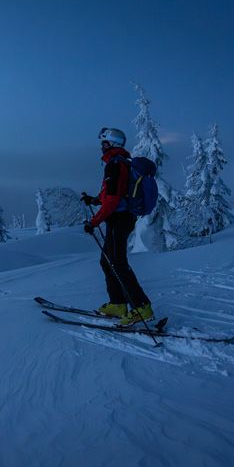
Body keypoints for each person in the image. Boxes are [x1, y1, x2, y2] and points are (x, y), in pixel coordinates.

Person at [81, 127, 154, 325]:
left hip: (119, 219)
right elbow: (113, 194)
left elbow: (113, 200)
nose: (102, 147)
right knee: (107, 261)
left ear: (112, 143)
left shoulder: (115, 164)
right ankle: (118, 304)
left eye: (104, 143)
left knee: (117, 263)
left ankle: (142, 307)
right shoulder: (120, 163)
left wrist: (93, 222)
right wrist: (94, 200)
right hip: (120, 218)